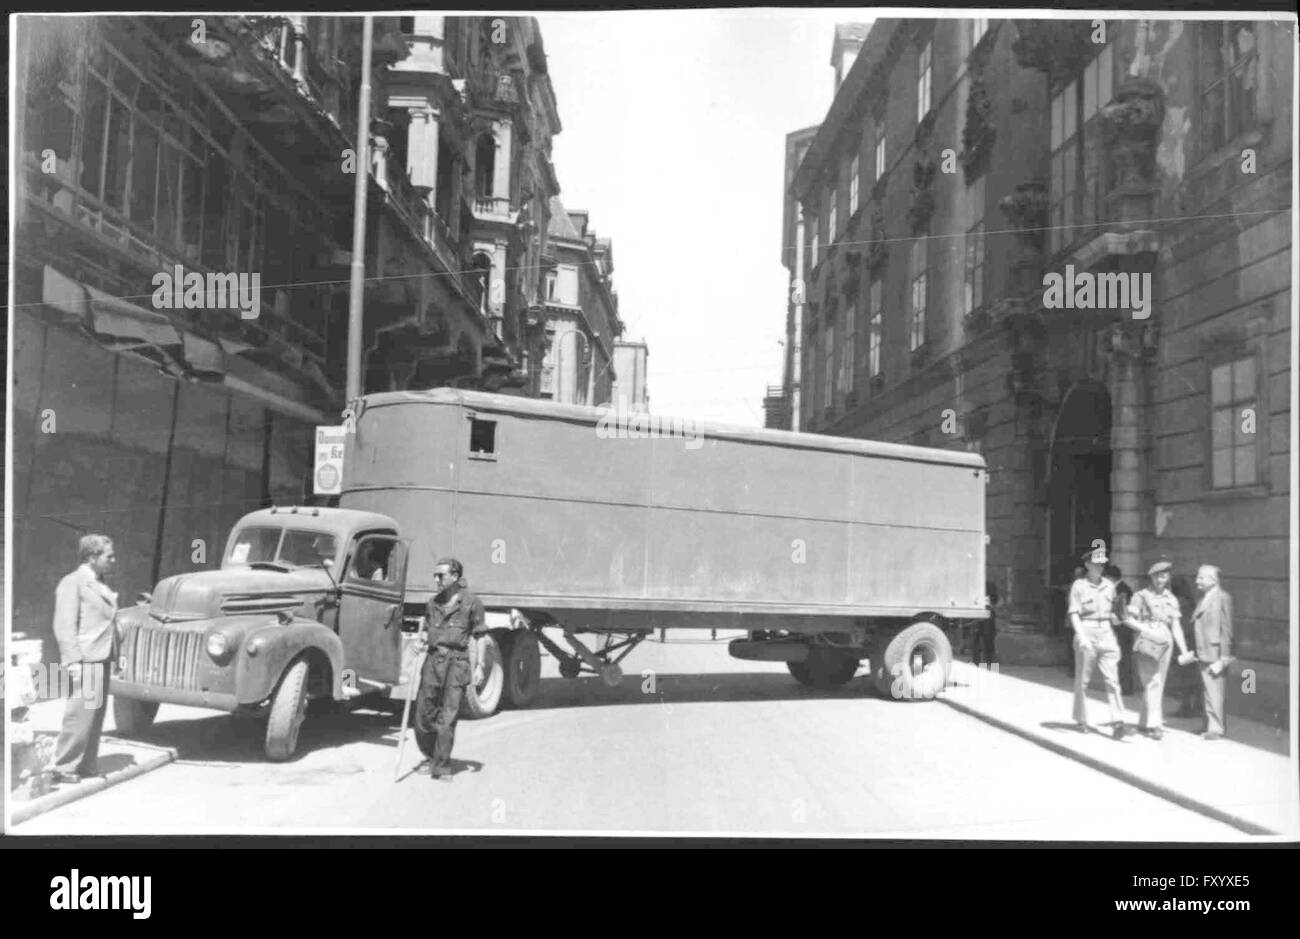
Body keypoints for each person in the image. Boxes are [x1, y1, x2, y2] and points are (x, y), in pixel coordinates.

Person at [50, 534, 118, 784]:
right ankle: (64, 767)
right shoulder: (73, 582)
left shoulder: (99, 583)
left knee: (95, 715)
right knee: (80, 715)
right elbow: (64, 625)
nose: (114, 560)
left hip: (102, 658)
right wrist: (73, 661)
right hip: (86, 660)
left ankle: (87, 765)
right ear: (92, 557)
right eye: (108, 556)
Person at [413, 558, 488, 780]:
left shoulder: (472, 603)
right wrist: (421, 643)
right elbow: (426, 632)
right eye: (435, 575)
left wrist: (480, 666)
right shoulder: (432, 603)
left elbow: (480, 636)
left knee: (448, 716)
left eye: (441, 576)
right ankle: (430, 756)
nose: (436, 579)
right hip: (433, 662)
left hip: (457, 664)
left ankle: (442, 765)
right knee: (424, 715)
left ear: (455, 577)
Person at [1125, 558, 1191, 741]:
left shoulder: (1171, 598)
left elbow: (1175, 625)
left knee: (1157, 682)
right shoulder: (1141, 595)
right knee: (1153, 681)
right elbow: (1128, 619)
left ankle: (1144, 721)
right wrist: (1145, 629)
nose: (1160, 578)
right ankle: (1155, 724)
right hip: (1147, 639)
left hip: (1166, 640)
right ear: (1151, 577)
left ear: (1168, 577)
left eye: (1164, 575)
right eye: (1157, 575)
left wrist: (1184, 650)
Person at [1068, 546, 1127, 740]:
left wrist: (1119, 617)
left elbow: (1114, 613)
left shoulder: (1109, 586)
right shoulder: (1079, 586)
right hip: (1086, 629)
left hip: (1106, 633)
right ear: (1087, 565)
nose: (1100, 567)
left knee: (1112, 680)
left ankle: (1118, 720)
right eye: (1096, 564)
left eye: (1102, 564)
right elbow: (1074, 613)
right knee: (1083, 680)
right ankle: (1081, 719)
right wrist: (1082, 637)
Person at [1188, 564, 1234, 740]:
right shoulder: (1204, 599)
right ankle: (1208, 725)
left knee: (1215, 692)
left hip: (1215, 653)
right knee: (1207, 691)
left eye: (1201, 577)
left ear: (1213, 580)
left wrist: (1224, 658)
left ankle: (1216, 729)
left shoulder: (1223, 598)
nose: (1197, 581)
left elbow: (1227, 630)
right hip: (1203, 652)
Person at [1104, 564, 1136, 694]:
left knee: (1123, 658)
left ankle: (1126, 687)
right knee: (1119, 658)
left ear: (1110, 578)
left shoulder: (1122, 590)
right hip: (1120, 629)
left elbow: (1121, 612)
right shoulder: (1119, 588)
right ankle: (1121, 685)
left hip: (1122, 630)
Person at [971, 579, 998, 666]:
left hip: (982, 614)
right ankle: (986, 664)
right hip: (984, 614)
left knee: (980, 641)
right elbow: (995, 599)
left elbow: (995, 599)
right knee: (986, 642)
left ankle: (978, 664)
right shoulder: (989, 585)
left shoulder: (977, 585)